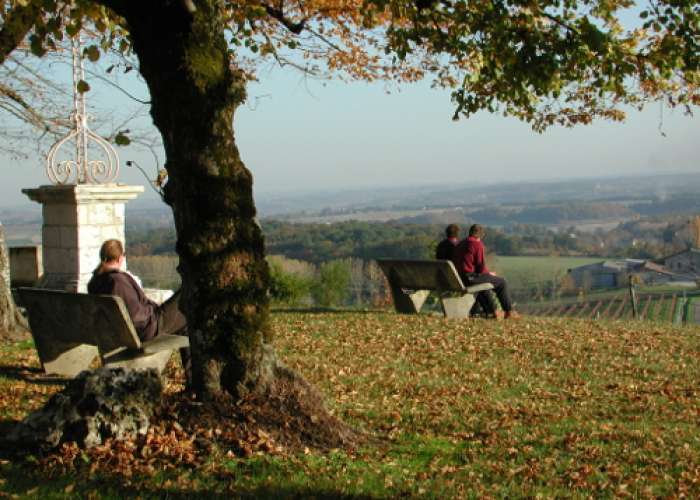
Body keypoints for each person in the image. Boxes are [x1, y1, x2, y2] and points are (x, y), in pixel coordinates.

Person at [88, 239, 192, 384]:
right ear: (120, 258)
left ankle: (194, 379)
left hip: (127, 332)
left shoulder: (95, 282)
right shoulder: (118, 282)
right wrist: (153, 309)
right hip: (149, 327)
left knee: (184, 320)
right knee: (188, 294)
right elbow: (137, 317)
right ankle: (194, 379)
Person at [454, 224, 520, 320]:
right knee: (502, 282)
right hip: (470, 278)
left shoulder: (461, 243)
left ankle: (491, 312)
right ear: (481, 235)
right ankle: (509, 311)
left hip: (459, 278)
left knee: (483, 284)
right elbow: (481, 268)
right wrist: (489, 274)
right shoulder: (476, 244)